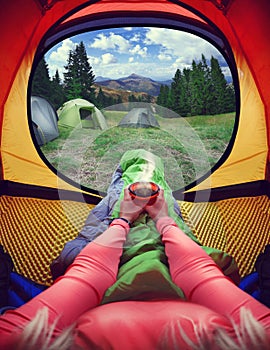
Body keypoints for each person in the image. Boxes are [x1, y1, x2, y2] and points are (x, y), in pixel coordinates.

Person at [0, 188, 269, 349]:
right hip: (186, 280)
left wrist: (122, 220)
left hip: (86, 289)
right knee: (164, 203)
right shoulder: (259, 335)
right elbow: (200, 271)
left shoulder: (17, 339)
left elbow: (86, 274)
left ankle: (123, 185)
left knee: (116, 198)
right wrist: (163, 219)